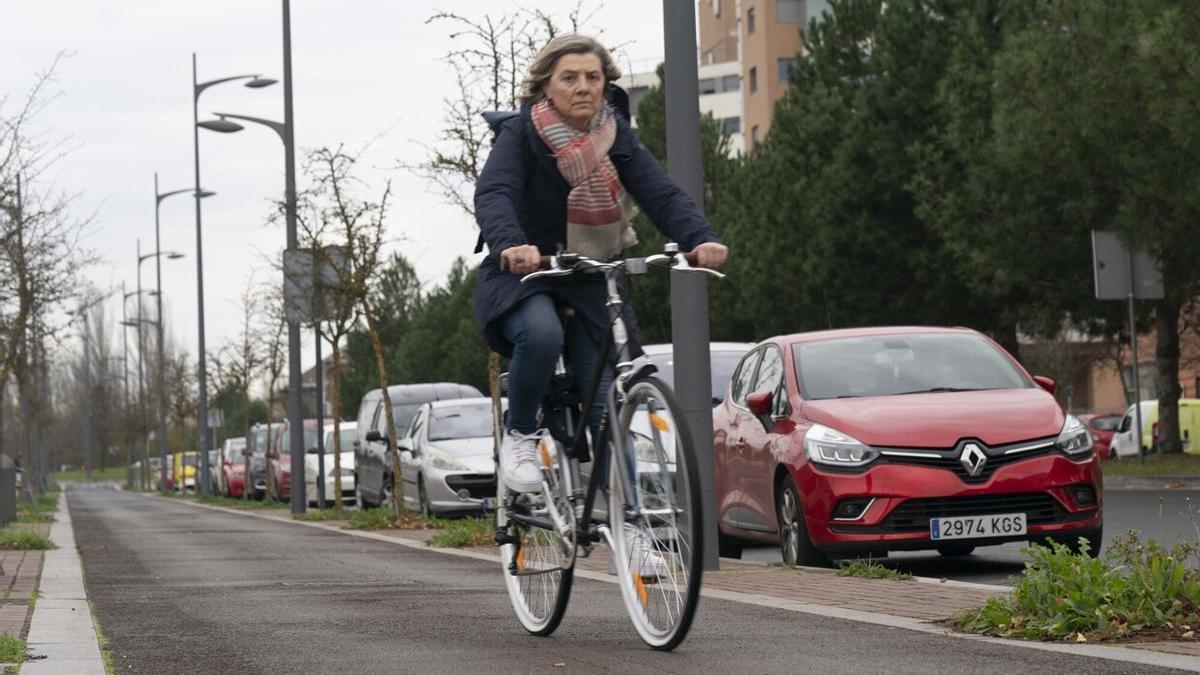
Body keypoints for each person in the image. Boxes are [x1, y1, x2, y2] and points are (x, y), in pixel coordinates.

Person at [473, 34, 728, 495]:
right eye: (569, 78)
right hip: (528, 273)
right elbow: (496, 192)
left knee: (606, 401)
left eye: (593, 78)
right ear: (546, 85)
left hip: (591, 275)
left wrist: (700, 238)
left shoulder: (614, 133)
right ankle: (521, 434)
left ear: (605, 85)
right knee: (542, 332)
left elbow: (659, 191)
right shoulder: (522, 134)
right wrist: (511, 244)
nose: (583, 87)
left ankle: (626, 519)